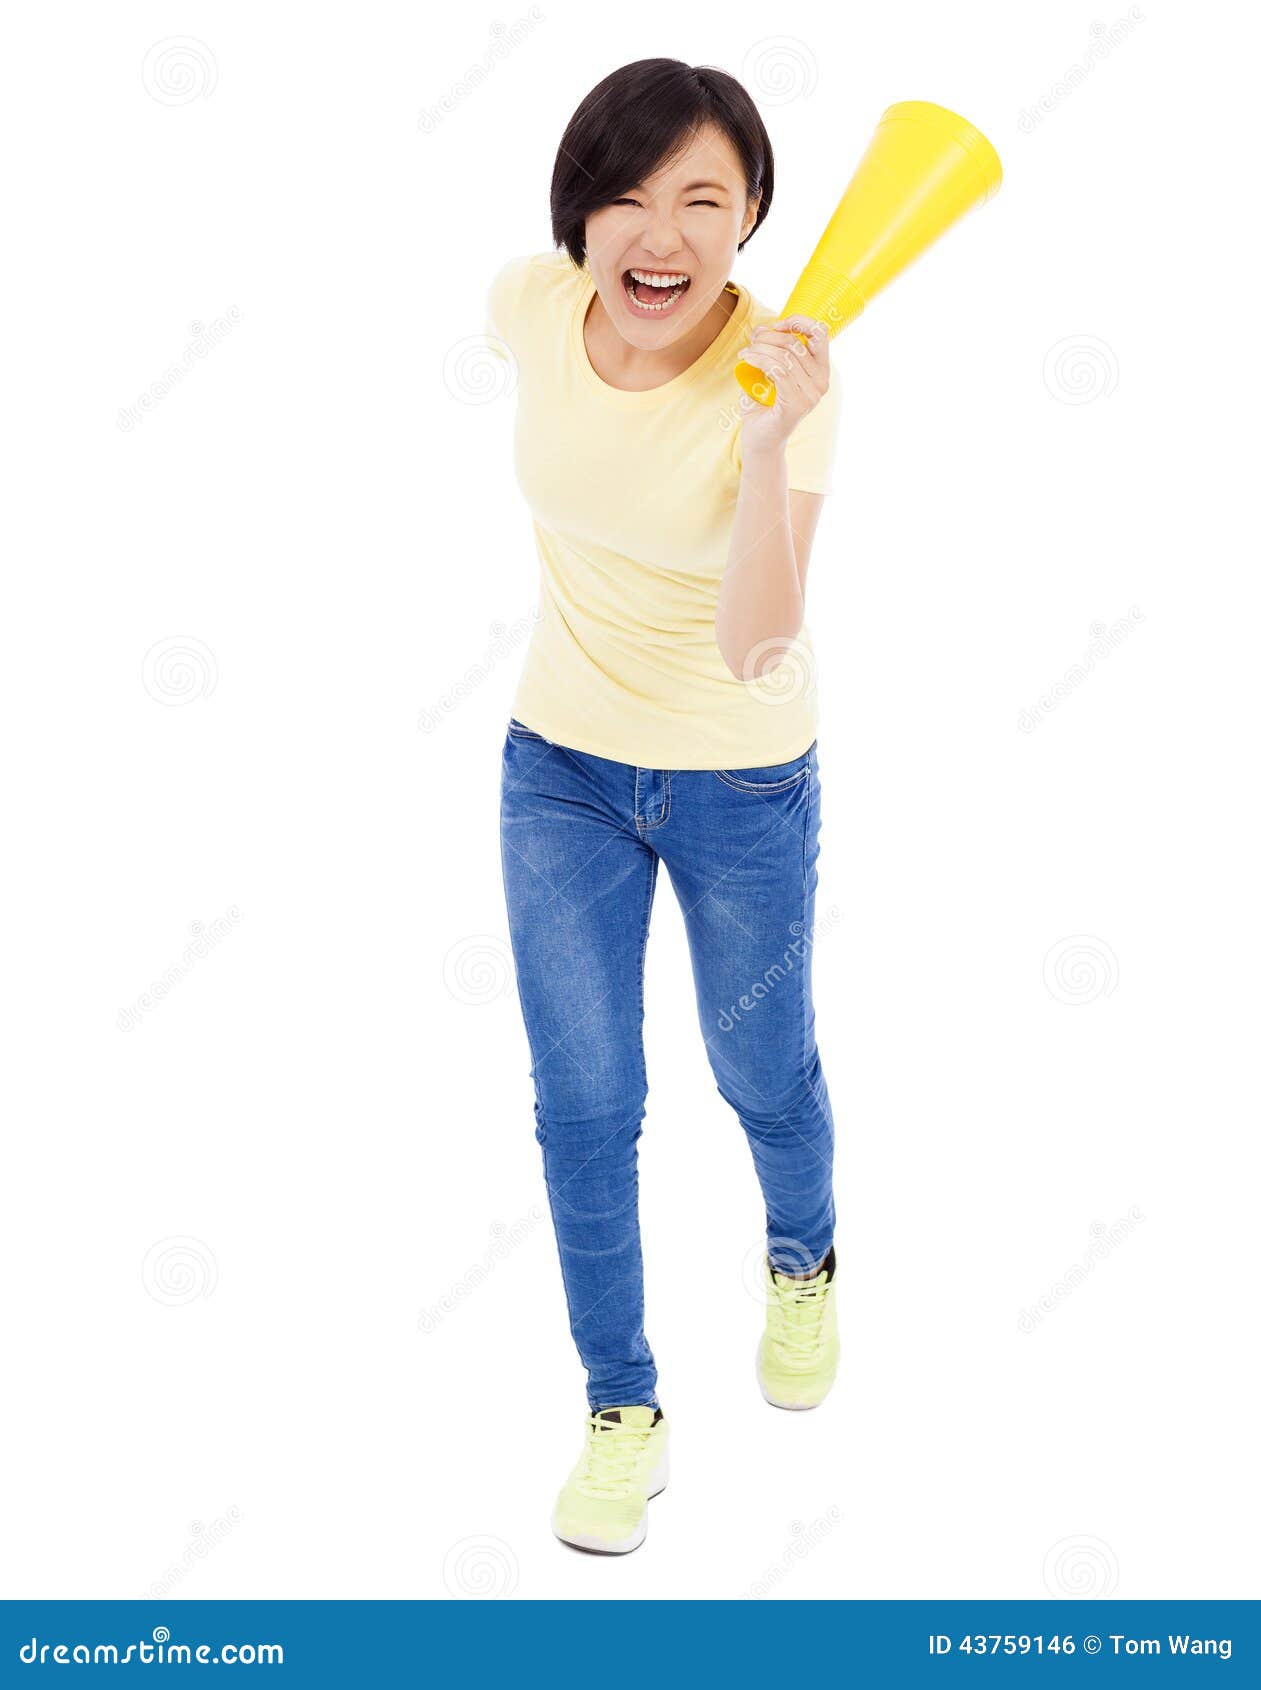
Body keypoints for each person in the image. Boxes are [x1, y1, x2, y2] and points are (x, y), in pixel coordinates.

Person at [486, 58, 841, 1555]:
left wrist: (763, 446)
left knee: (757, 1066)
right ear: (579, 212)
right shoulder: (525, 306)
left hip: (737, 772)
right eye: (627, 193)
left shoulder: (787, 380)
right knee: (582, 1106)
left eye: (702, 196)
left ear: (750, 216)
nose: (659, 229)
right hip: (555, 765)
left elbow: (756, 639)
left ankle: (803, 1256)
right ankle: (622, 1408)